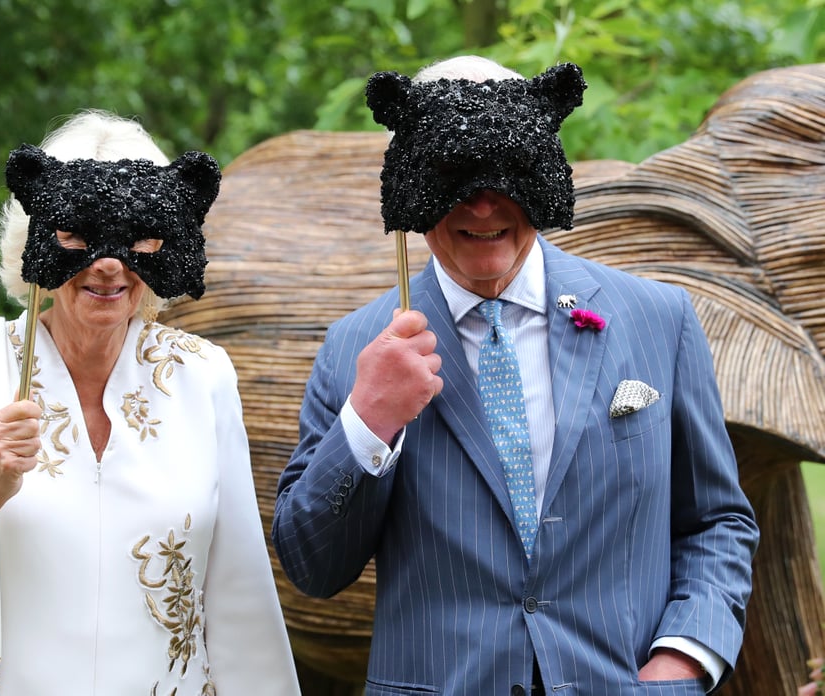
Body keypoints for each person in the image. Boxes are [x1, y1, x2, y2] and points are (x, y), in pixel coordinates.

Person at [272, 56, 758, 695]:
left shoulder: (656, 319)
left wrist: (685, 659)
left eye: (508, 173)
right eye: (452, 179)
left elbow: (717, 522)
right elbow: (313, 566)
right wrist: (369, 420)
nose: (482, 205)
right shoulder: (356, 348)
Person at [0, 110, 301, 696]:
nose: (108, 264)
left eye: (137, 235)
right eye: (77, 233)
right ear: (35, 241)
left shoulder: (203, 376)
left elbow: (239, 593)